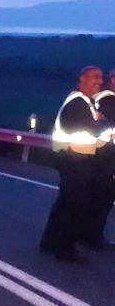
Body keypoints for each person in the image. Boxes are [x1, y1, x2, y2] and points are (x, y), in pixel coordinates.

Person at [41, 66, 107, 262]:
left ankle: (49, 241)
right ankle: (65, 249)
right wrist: (104, 122)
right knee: (76, 205)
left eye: (100, 78)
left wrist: (99, 122)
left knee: (65, 203)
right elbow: (93, 129)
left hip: (71, 159)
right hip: (74, 160)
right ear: (81, 79)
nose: (99, 81)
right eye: (94, 77)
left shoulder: (84, 102)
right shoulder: (78, 103)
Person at [86, 70, 115, 248]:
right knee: (102, 198)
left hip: (97, 155)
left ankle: (88, 235)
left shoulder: (100, 98)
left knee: (96, 197)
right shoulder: (109, 100)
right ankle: (93, 237)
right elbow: (108, 126)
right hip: (105, 156)